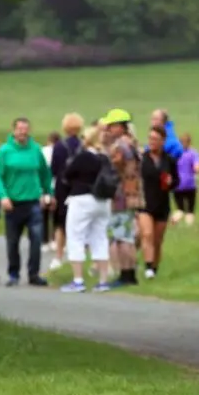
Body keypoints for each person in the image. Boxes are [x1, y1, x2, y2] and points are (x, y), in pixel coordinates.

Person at [0, 117, 55, 286]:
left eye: (25, 129)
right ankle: (14, 274)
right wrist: (2, 196)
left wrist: (48, 192)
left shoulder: (35, 150)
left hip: (33, 202)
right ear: (14, 131)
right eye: (20, 129)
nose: (23, 132)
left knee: (36, 239)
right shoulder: (5, 151)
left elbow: (45, 173)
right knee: (13, 241)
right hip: (13, 203)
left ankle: (34, 274)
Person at [59, 126, 112, 293]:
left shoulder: (83, 157)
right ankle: (103, 281)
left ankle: (78, 280)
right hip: (103, 201)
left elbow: (67, 174)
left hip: (82, 198)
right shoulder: (105, 158)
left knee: (76, 237)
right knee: (100, 238)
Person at [101, 108, 145, 287]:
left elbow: (112, 166)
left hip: (120, 196)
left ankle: (126, 274)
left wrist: (106, 147)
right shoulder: (132, 144)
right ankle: (129, 274)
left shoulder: (119, 147)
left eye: (111, 126)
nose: (108, 129)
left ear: (120, 126)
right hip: (132, 194)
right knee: (127, 235)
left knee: (121, 237)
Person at [138, 126, 179, 279]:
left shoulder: (169, 160)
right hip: (144, 203)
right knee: (147, 234)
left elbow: (177, 181)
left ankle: (154, 269)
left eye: (155, 139)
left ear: (163, 141)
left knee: (157, 240)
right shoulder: (142, 159)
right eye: (150, 139)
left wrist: (171, 182)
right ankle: (148, 267)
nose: (152, 142)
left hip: (162, 204)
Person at [49, 113, 85, 270]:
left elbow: (54, 169)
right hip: (79, 187)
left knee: (60, 222)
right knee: (79, 222)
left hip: (62, 187)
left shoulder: (59, 146)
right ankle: (77, 255)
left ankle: (58, 256)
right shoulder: (83, 145)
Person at [170, 133, 199, 226]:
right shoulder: (193, 153)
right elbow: (197, 168)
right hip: (190, 185)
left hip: (177, 185)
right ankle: (189, 226)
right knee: (190, 210)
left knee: (180, 209)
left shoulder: (174, 154)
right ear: (189, 142)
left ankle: (174, 218)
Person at [41, 131, 59, 252]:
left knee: (44, 214)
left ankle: (44, 241)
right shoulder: (59, 151)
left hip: (45, 185)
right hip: (56, 185)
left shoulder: (43, 150)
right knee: (55, 214)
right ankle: (54, 240)